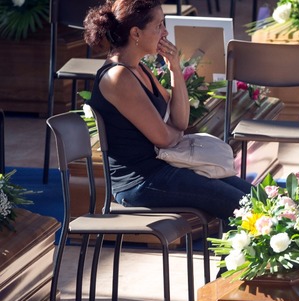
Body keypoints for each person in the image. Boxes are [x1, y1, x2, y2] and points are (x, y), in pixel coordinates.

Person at [83, 0, 252, 222]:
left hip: (165, 167)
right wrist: (174, 134)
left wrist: (175, 68)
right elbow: (164, 138)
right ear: (136, 33)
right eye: (159, 25)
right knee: (245, 208)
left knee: (253, 197)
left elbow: (180, 122)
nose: (165, 32)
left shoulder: (138, 67)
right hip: (141, 182)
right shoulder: (118, 77)